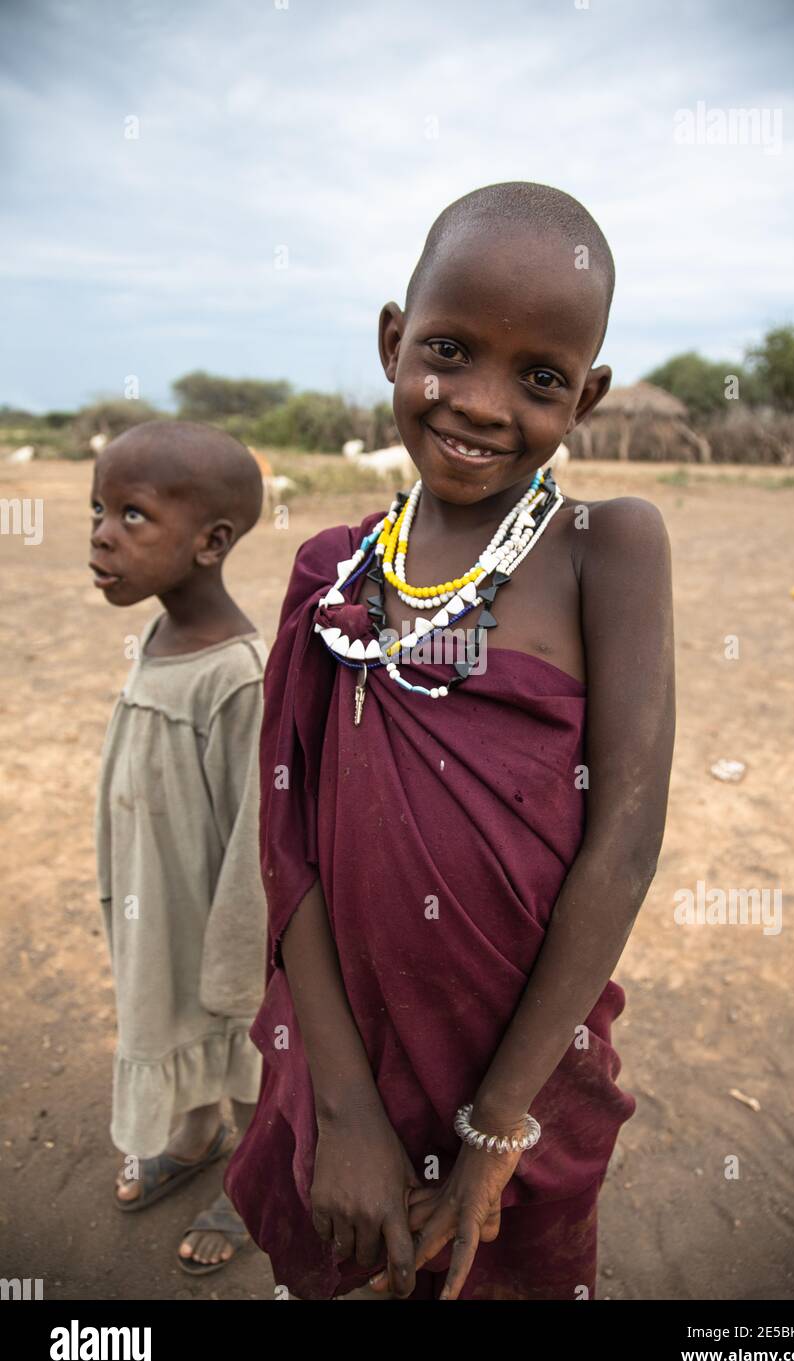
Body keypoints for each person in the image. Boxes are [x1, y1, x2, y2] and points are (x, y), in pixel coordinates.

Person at [224, 181, 676, 1300]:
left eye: (537, 377)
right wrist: (343, 1110)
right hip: (347, 1056)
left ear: (588, 395)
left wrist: (492, 1129)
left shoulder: (602, 549)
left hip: (519, 1064)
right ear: (390, 342)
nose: (479, 402)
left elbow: (622, 842)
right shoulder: (332, 571)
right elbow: (291, 849)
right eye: (447, 350)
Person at [91, 420, 269, 1274]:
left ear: (212, 543)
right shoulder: (161, 634)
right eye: (98, 510)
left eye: (131, 516)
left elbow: (254, 839)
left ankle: (255, 1183)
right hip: (156, 894)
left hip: (216, 912)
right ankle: (198, 1139)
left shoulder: (239, 674)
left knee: (237, 1039)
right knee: (168, 1013)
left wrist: (238, 960)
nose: (98, 534)